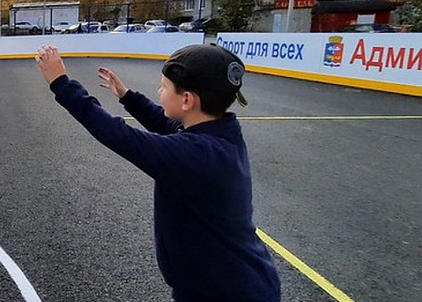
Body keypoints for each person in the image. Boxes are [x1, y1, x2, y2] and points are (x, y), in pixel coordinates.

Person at [34, 44, 280, 302]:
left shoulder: (196, 156)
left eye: (163, 87)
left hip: (225, 294)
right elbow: (168, 125)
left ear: (187, 100)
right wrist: (127, 96)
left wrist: (61, 83)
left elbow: (118, 134)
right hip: (230, 286)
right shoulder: (220, 134)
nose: (159, 91)